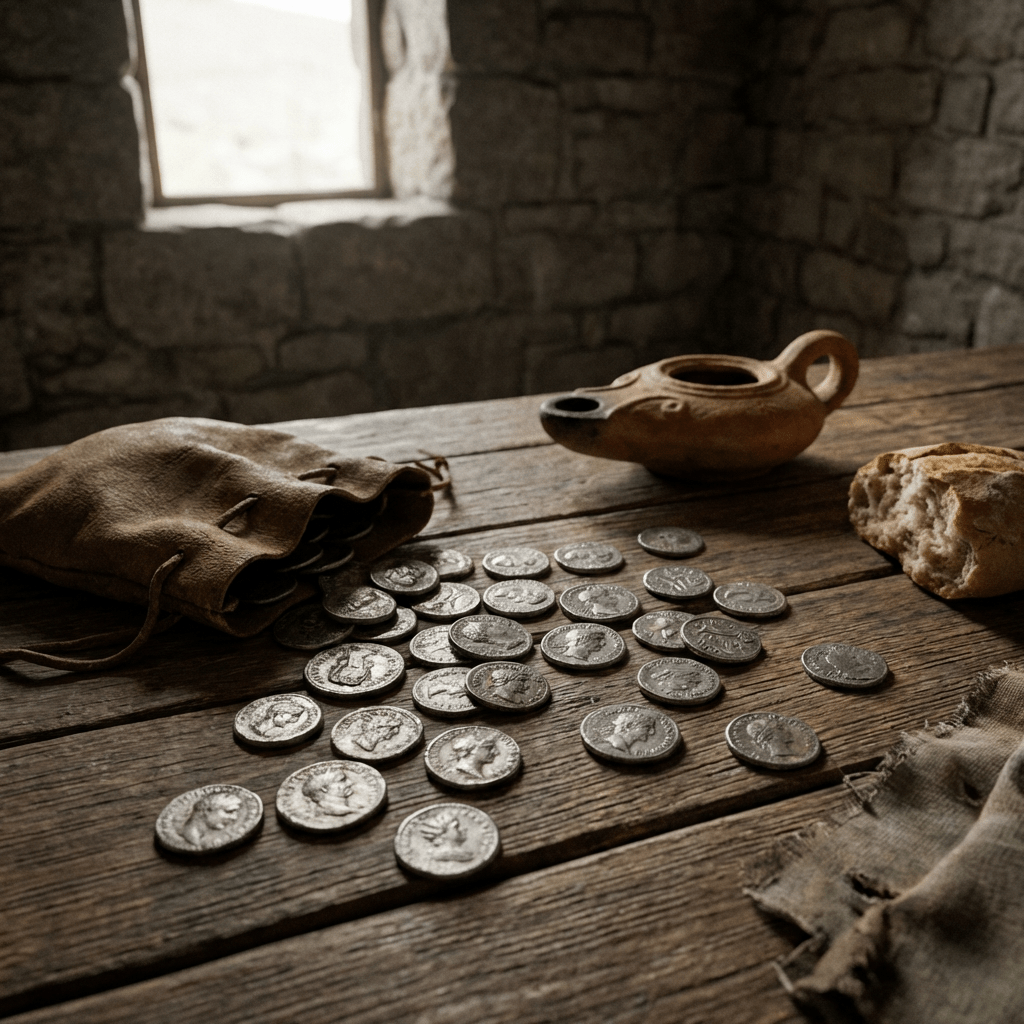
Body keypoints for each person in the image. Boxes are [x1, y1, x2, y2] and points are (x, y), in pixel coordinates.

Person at [179, 790, 243, 849]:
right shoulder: (190, 837)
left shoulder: (203, 838)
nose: (234, 818)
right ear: (207, 810)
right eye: (229, 811)